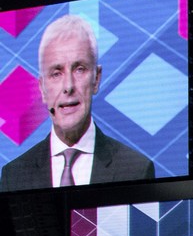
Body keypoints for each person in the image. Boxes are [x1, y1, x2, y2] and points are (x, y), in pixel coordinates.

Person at [0, 14, 155, 192]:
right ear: (42, 89)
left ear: (96, 79)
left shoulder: (136, 170)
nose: (68, 86)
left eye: (79, 69)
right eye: (56, 73)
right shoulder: (14, 176)